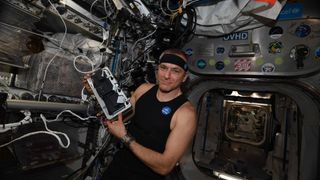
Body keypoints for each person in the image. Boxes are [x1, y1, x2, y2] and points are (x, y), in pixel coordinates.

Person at [88, 49, 197, 180]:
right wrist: (96, 91)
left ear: (184, 77)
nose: (167, 76)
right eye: (163, 68)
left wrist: (125, 138)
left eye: (175, 71)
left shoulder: (186, 113)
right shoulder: (143, 89)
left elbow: (165, 166)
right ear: (157, 69)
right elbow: (119, 117)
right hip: (118, 167)